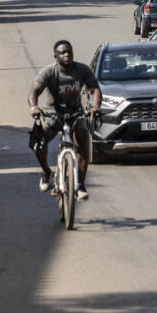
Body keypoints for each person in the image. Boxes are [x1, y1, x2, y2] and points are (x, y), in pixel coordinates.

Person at [28, 40, 102, 200]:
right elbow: (34, 91)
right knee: (39, 143)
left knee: (83, 141)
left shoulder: (82, 70)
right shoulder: (48, 72)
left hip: (76, 113)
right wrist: (34, 107)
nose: (67, 54)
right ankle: (47, 172)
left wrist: (95, 106)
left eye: (69, 51)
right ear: (56, 56)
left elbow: (94, 89)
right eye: (62, 52)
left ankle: (80, 185)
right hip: (53, 114)